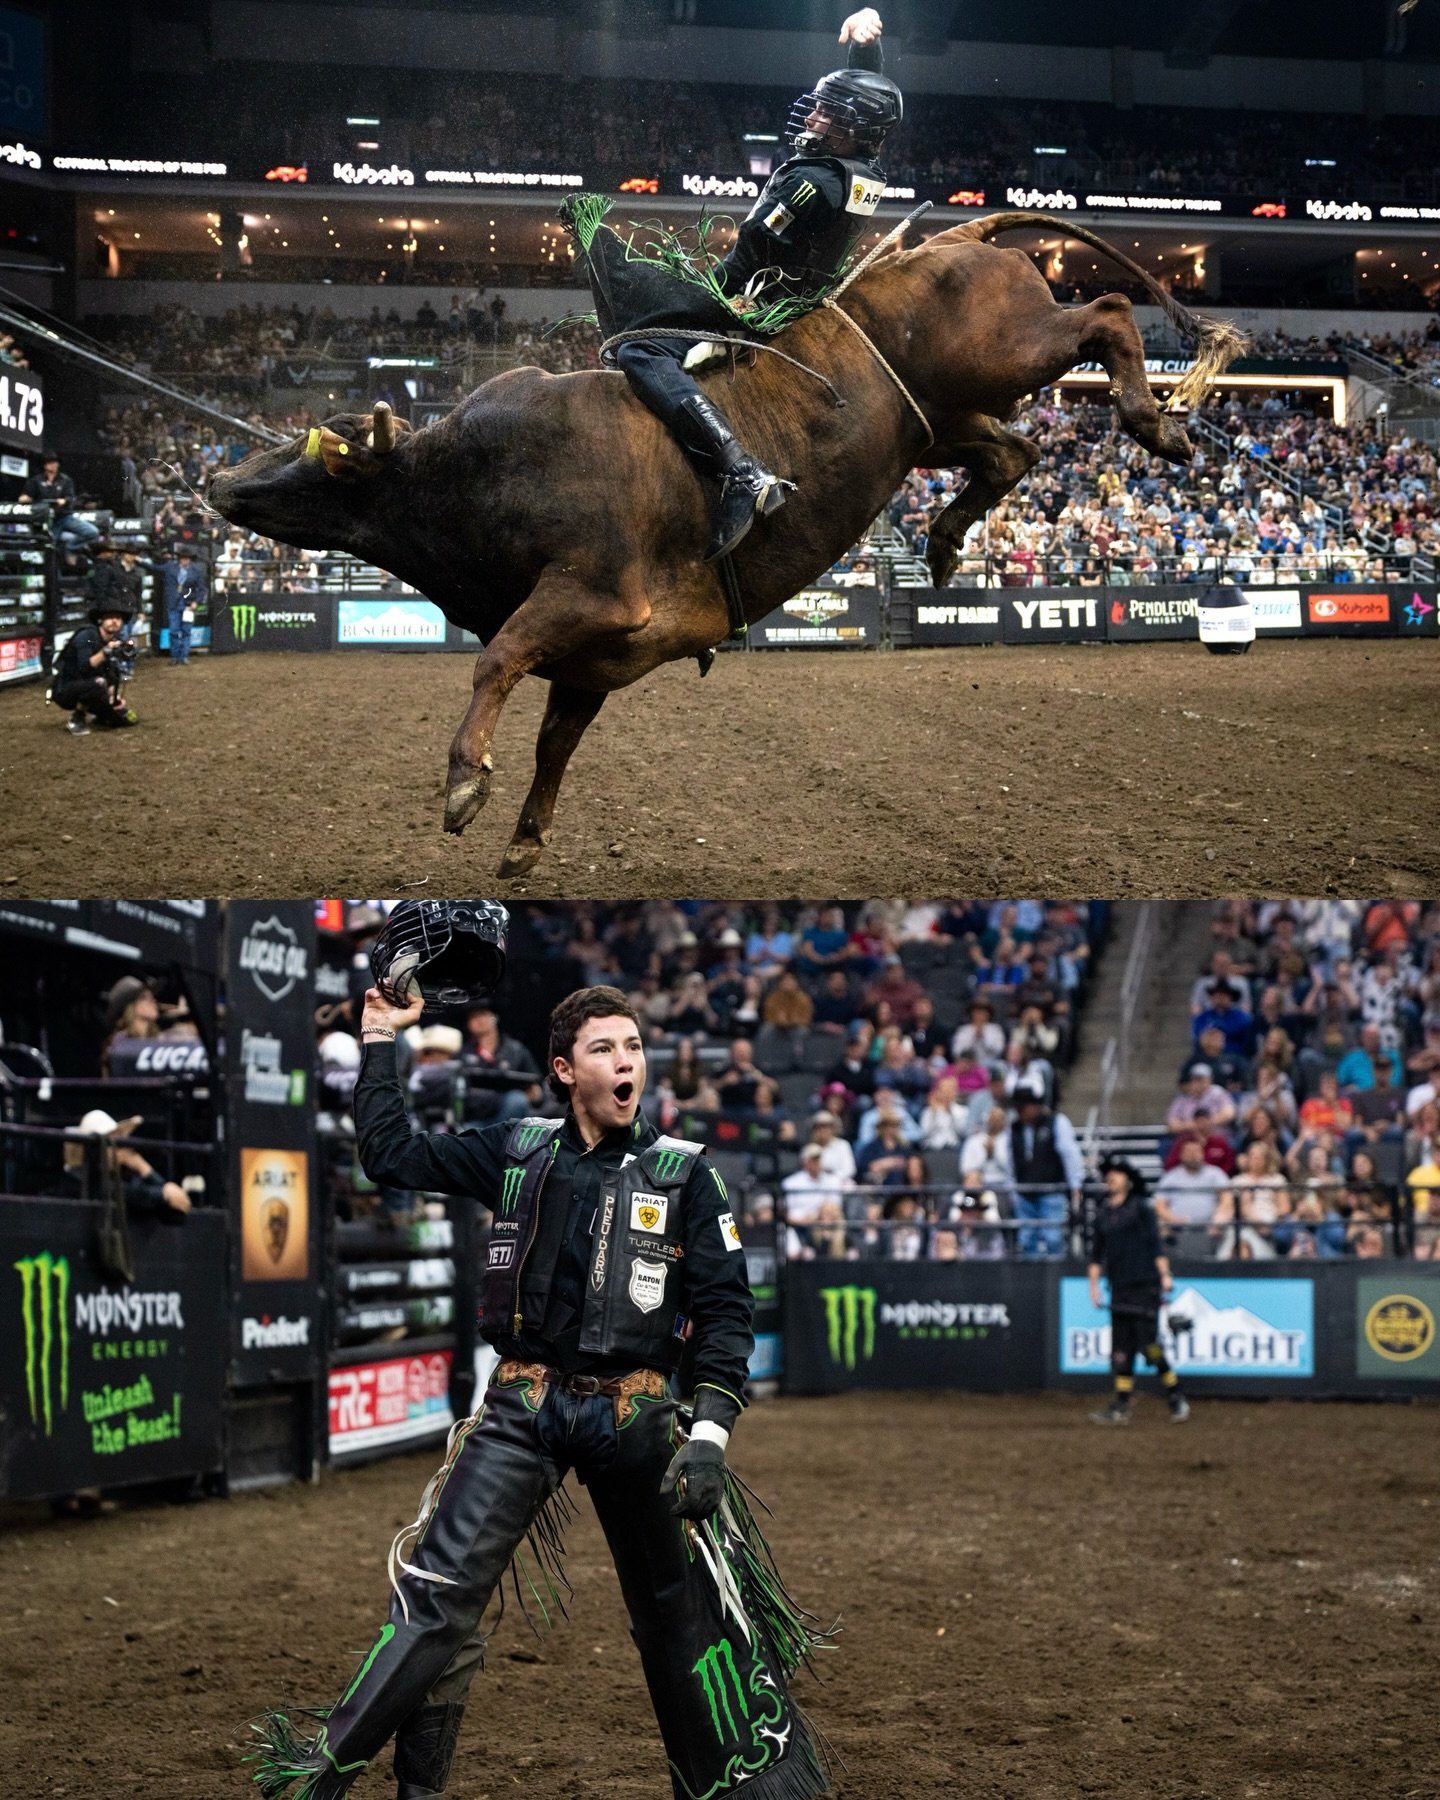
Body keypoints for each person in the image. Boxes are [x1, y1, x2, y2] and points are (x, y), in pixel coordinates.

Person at [250, 961, 829, 1800]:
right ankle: (323, 1779)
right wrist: (379, 1034)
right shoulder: (514, 1149)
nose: (628, 1060)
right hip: (522, 1407)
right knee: (439, 1595)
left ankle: (741, 1789)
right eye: (605, 1048)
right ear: (565, 1071)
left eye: (634, 1046)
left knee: (678, 1615)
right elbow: (389, 1155)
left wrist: (708, 1437)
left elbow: (726, 1316)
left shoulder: (686, 1174)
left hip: (637, 1419)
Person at [600, 8, 901, 562]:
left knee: (638, 347)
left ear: (852, 130)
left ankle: (740, 473)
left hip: (753, 306)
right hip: (791, 292)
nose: (812, 116)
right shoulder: (858, 170)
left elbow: (744, 262)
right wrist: (864, 50)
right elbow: (869, 103)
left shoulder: (810, 185)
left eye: (825, 113)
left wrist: (691, 292)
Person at [1087, 1157, 1189, 1426]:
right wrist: (1094, 1286)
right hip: (1119, 1288)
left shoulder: (1142, 1209)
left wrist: (1165, 1275)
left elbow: (1156, 1246)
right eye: (1108, 1174)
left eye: (1117, 1174)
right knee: (1121, 1350)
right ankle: (1121, 1404)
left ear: (1128, 1180)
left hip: (1145, 1286)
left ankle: (1175, 1395)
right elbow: (1096, 1254)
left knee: (1149, 1346)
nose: (1111, 1177)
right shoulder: (1102, 1214)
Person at [48, 605, 139, 734]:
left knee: (124, 718)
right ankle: (77, 719)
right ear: (100, 620)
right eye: (110, 618)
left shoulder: (114, 641)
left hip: (93, 686)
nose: (114, 621)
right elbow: (84, 666)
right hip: (66, 688)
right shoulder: (87, 636)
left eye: (118, 618)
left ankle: (102, 717)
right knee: (98, 683)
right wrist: (106, 651)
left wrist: (114, 698)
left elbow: (112, 675)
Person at [158, 546, 207, 665]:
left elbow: (201, 589)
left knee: (186, 631)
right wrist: (139, 561)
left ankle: (183, 656)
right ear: (179, 559)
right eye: (183, 558)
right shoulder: (171, 568)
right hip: (174, 604)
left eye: (187, 558)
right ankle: (175, 657)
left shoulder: (196, 572)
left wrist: (196, 601)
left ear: (189, 559)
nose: (185, 560)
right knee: (174, 631)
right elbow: (155, 568)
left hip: (188, 605)